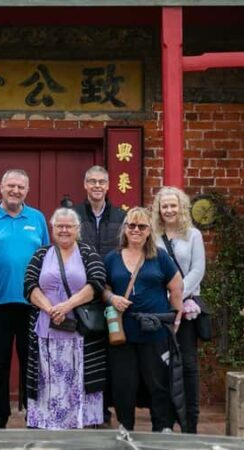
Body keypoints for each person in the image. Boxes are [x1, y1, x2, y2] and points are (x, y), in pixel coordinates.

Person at [23, 208, 107, 429]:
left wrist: (68, 305)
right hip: (46, 327)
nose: (64, 230)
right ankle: (46, 421)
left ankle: (78, 420)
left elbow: (97, 283)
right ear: (52, 229)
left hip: (79, 330)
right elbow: (29, 285)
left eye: (69, 226)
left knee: (78, 376)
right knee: (47, 377)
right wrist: (50, 309)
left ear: (77, 229)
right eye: (59, 226)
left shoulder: (88, 253)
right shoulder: (41, 254)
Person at [102, 207, 184, 432]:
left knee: (157, 381)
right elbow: (103, 288)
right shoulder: (112, 258)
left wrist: (176, 317)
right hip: (123, 332)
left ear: (149, 231)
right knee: (123, 382)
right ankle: (125, 425)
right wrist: (112, 298)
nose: (136, 230)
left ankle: (162, 425)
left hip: (154, 330)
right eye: (131, 226)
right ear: (125, 229)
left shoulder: (159, 257)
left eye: (141, 226)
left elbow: (176, 286)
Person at [0, 169, 50, 429]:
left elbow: (46, 258)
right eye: (11, 186)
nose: (15, 191)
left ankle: (35, 414)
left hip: (31, 304)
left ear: (27, 190)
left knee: (32, 363)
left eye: (21, 187)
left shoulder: (37, 218)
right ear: (1, 187)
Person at [72, 164, 125, 427]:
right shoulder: (72, 215)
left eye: (101, 182)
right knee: (81, 355)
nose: (96, 186)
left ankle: (103, 413)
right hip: (79, 296)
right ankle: (80, 412)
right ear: (85, 185)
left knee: (108, 356)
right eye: (91, 181)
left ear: (108, 185)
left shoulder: (120, 217)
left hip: (111, 296)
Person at [152, 186, 206, 434]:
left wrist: (176, 297)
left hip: (186, 306)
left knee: (187, 365)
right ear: (159, 210)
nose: (169, 210)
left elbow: (197, 271)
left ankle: (190, 422)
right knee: (161, 365)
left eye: (174, 205)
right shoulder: (152, 236)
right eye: (165, 206)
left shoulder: (193, 235)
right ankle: (164, 421)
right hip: (161, 309)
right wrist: (165, 300)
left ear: (181, 207)